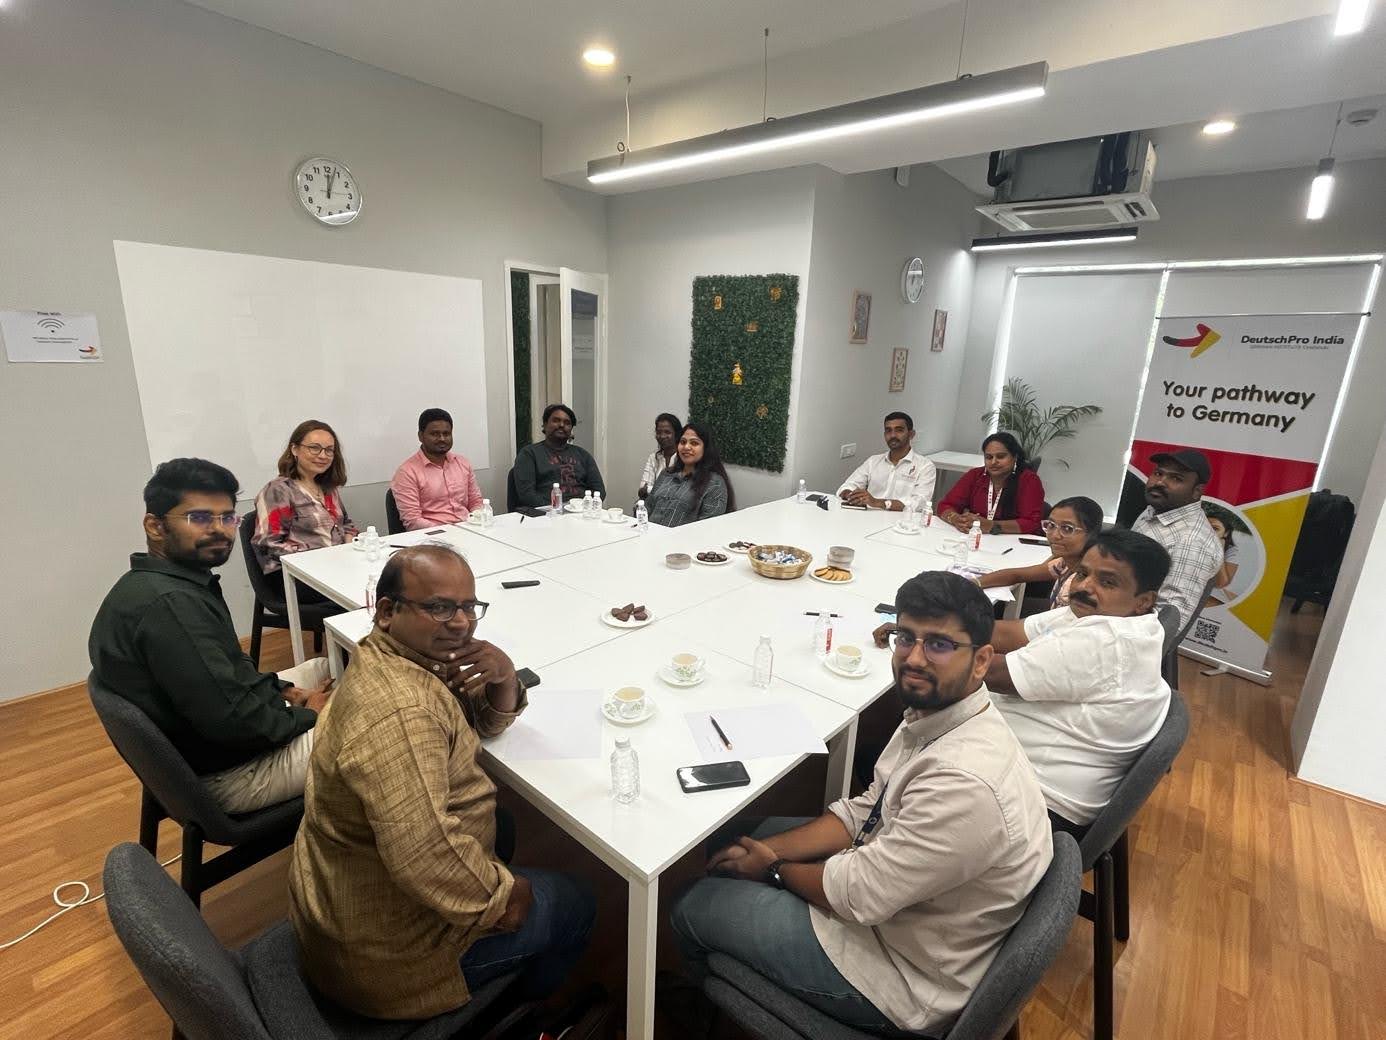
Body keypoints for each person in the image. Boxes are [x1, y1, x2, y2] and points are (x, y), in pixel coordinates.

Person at [670, 572, 1052, 1036]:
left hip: (898, 974)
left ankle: (699, 1015)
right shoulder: (940, 714)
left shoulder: (966, 783)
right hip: (902, 911)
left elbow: (859, 894)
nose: (914, 658)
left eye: (939, 644)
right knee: (734, 838)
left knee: (690, 904)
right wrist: (768, 850)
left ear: (981, 660)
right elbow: (869, 809)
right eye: (906, 637)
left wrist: (771, 868)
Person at [289, 544, 595, 1019]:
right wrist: (504, 898)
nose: (462, 623)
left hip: (348, 903)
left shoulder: (395, 656)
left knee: (504, 827)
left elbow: (471, 724)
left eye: (469, 607)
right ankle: (522, 1014)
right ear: (386, 610)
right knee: (573, 903)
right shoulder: (401, 712)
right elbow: (424, 855)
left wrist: (503, 677)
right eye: (439, 607)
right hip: (391, 961)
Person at [88, 458, 333, 813]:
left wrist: (287, 692)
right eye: (200, 517)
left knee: (327, 666)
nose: (220, 529)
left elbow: (229, 672)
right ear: (155, 526)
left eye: (227, 517)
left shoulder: (163, 583)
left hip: (208, 745)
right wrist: (310, 715)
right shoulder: (172, 606)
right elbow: (238, 724)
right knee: (375, 723)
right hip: (230, 774)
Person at [982, 529, 1173, 828]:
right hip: (1018, 770)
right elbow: (1008, 633)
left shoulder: (1108, 639)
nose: (1084, 586)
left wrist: (924, 637)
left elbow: (992, 673)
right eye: (1082, 573)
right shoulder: (1097, 613)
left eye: (1107, 582)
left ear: (1143, 601)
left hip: (1033, 800)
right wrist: (937, 624)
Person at [1130, 448, 1223, 629]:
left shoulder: (1191, 542)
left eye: (1176, 478)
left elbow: (1168, 622)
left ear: (1196, 491)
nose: (1160, 482)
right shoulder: (1156, 510)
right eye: (1158, 473)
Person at [252, 420, 357, 574]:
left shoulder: (328, 488)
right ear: (295, 449)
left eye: (329, 450)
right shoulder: (278, 491)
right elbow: (267, 546)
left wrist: (349, 546)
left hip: (339, 566)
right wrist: (320, 557)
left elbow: (347, 525)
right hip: (300, 575)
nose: (323, 455)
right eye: (314, 448)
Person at [978, 496, 1103, 609]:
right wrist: (974, 583)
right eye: (1051, 525)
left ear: (1092, 534)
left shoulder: (1084, 583)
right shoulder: (1064, 563)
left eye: (1067, 528)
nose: (1054, 535)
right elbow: (1017, 575)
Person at [391, 407, 484, 529]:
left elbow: (476, 502)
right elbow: (413, 521)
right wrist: (449, 532)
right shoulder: (407, 472)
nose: (442, 439)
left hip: (469, 528)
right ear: (420, 436)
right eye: (435, 434)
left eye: (446, 434)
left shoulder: (463, 463)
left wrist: (478, 519)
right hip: (434, 535)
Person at [937, 432, 1045, 535]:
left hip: (1013, 541)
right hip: (977, 536)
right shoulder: (975, 475)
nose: (993, 462)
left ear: (1015, 457)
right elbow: (945, 505)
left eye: (1000, 456)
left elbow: (1032, 523)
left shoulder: (1029, 480)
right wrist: (956, 519)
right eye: (989, 457)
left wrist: (991, 525)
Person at [835, 411, 937, 511]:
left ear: (911, 434)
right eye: (888, 430)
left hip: (903, 520)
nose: (892, 435)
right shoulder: (873, 461)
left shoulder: (925, 466)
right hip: (869, 517)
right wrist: (852, 495)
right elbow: (848, 485)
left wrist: (878, 503)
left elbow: (919, 503)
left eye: (899, 430)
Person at [512, 404, 606, 508]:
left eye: (567, 423)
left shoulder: (583, 455)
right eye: (556, 420)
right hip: (546, 512)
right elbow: (527, 496)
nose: (561, 425)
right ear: (545, 424)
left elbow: (599, 491)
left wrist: (581, 507)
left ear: (571, 429)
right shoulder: (529, 454)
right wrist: (558, 509)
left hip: (581, 511)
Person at [645, 422, 735, 527]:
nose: (686, 447)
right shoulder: (666, 474)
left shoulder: (714, 484)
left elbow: (708, 528)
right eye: (683, 442)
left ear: (706, 448)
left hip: (684, 537)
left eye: (694, 443)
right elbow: (647, 508)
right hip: (648, 534)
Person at [638, 412, 682, 499]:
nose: (662, 436)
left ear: (677, 434)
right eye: (658, 432)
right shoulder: (653, 458)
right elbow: (641, 491)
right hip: (651, 505)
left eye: (667, 432)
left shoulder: (684, 458)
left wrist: (649, 489)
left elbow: (678, 493)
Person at [1203, 505, 1241, 592]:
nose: (1208, 532)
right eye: (1205, 526)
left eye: (1215, 528)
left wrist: (1219, 551)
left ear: (1226, 533)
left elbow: (1220, 584)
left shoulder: (1232, 551)